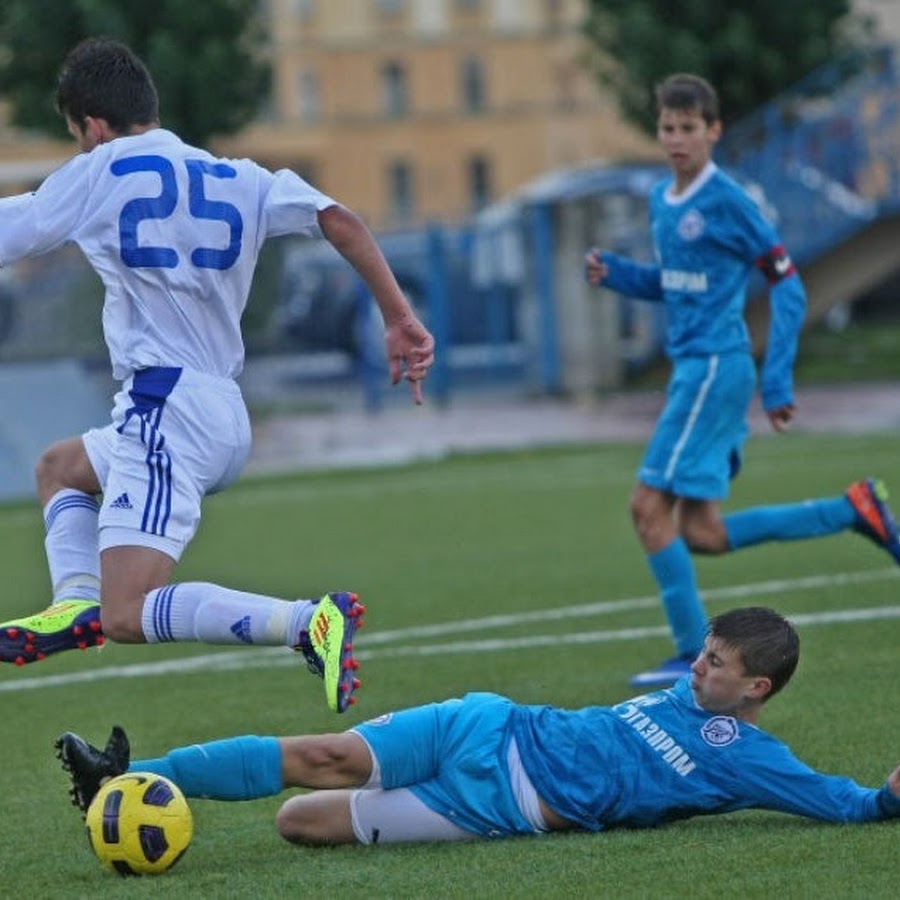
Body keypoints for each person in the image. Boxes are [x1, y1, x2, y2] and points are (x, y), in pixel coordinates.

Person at [0, 38, 435, 713]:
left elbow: (18, 228)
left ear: (91, 126)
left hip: (165, 409)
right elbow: (340, 220)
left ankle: (305, 621)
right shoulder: (240, 175)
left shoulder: (103, 166)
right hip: (218, 408)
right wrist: (400, 318)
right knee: (61, 468)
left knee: (131, 610)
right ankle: (72, 607)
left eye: (79, 136)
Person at [57, 606, 900, 846]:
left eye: (716, 664)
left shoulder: (747, 759)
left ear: (757, 688)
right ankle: (125, 773)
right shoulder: (689, 695)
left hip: (503, 805)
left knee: (297, 823)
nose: (697, 668)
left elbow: (845, 804)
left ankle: (136, 781)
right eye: (702, 652)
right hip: (486, 723)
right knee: (325, 756)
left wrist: (883, 800)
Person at [584, 73, 900, 687]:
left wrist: (776, 378)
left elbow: (787, 280)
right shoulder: (660, 200)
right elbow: (673, 285)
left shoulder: (728, 200)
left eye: (688, 128)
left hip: (715, 368)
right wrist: (620, 274)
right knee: (702, 533)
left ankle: (687, 655)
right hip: (695, 370)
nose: (676, 139)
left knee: (647, 508)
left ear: (713, 131)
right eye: (667, 128)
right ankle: (851, 509)